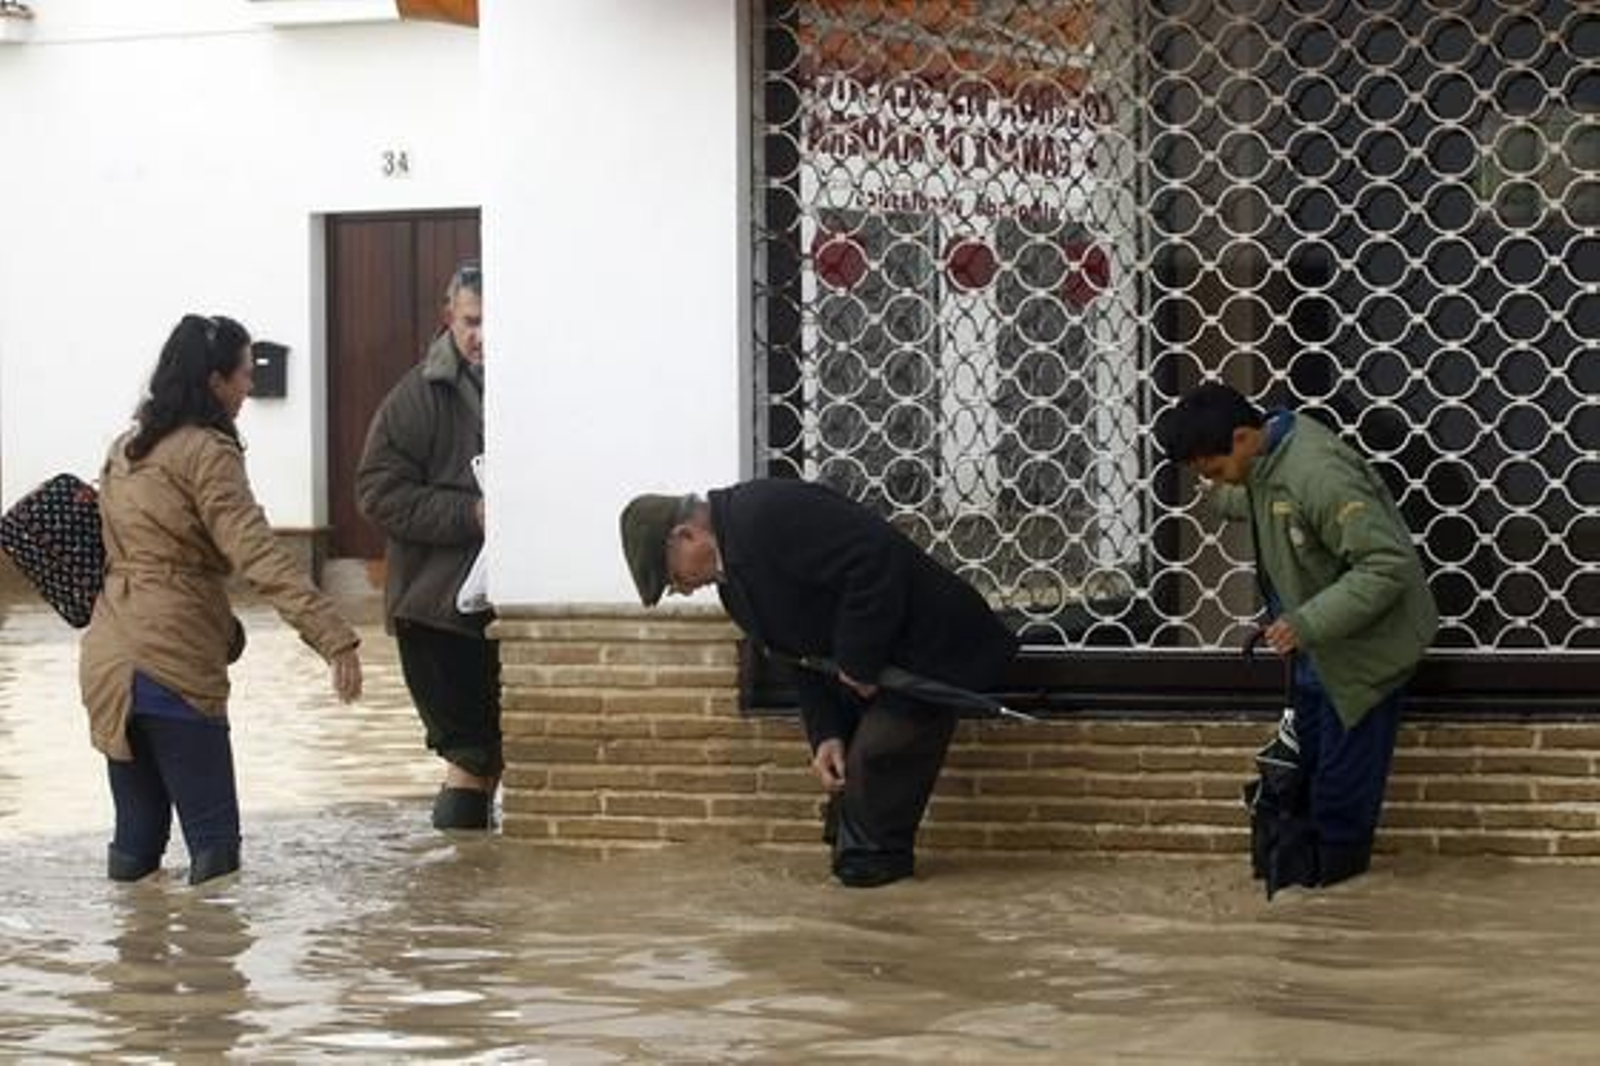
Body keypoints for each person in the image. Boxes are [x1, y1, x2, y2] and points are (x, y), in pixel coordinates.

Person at [620, 479, 1018, 887]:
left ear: (685, 535)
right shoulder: (735, 591)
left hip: (934, 648)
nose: (684, 590)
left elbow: (873, 559)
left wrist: (858, 660)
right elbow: (799, 658)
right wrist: (825, 734)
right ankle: (864, 909)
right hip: (874, 676)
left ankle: (878, 913)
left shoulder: (765, 512)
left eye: (674, 578)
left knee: (876, 764)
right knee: (848, 794)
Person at [80, 314, 364, 885]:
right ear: (214, 381)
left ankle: (134, 969)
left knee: (135, 839)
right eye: (243, 373)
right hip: (172, 659)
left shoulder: (124, 450)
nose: (249, 386)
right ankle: (215, 971)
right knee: (215, 852)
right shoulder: (207, 452)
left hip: (107, 660)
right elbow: (258, 553)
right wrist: (333, 636)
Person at [1158, 382, 1438, 890]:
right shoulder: (1263, 462)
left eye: (1215, 471)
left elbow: (1386, 566)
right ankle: (1301, 909)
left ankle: (1337, 916)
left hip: (1364, 657)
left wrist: (1305, 622)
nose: (1215, 483)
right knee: (1297, 787)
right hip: (1317, 654)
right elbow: (1245, 498)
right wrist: (1220, 488)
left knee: (1337, 804)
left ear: (1243, 437)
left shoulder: (1318, 473)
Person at [357, 260, 499, 830]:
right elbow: (376, 494)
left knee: (490, 757)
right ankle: (456, 887)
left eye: (493, 322)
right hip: (434, 612)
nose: (481, 336)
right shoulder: (415, 398)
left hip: (491, 606)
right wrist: (470, 513)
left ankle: (467, 892)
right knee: (472, 757)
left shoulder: (524, 387)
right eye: (472, 321)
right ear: (449, 316)